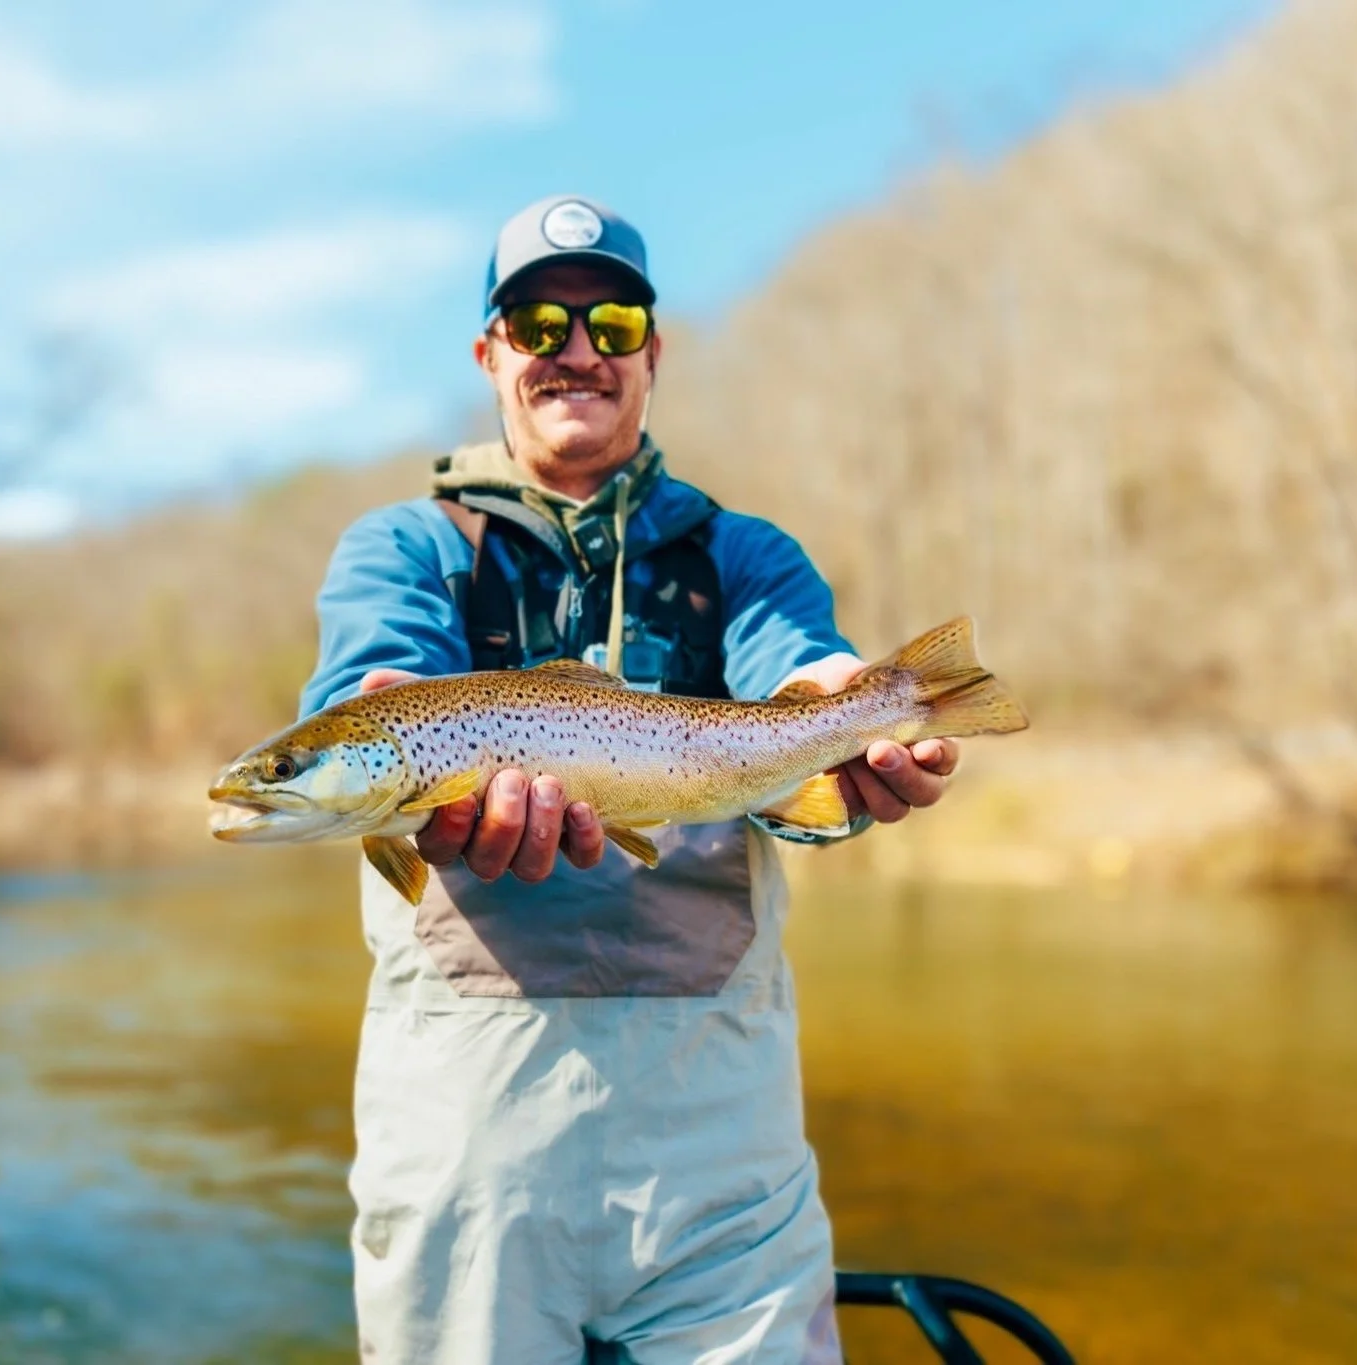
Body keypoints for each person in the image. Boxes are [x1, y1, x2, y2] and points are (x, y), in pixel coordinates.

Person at [299, 194, 958, 1365]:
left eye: (609, 322)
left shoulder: (739, 555)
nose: (573, 350)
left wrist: (856, 715)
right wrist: (362, 736)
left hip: (725, 1174)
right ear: (489, 352)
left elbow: (794, 670)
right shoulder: (407, 549)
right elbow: (377, 686)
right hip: (469, 1166)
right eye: (535, 323)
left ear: (649, 352)